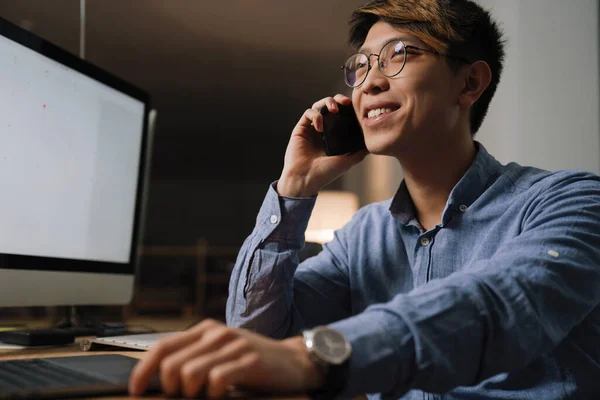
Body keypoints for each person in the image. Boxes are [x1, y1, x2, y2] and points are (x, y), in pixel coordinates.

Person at [129, 0, 600, 398]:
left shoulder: (570, 201)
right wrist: (295, 186)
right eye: (361, 66)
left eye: (399, 55)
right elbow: (257, 335)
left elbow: (500, 304)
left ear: (469, 84)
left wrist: (316, 355)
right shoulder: (362, 237)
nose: (370, 82)